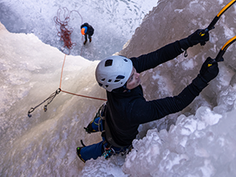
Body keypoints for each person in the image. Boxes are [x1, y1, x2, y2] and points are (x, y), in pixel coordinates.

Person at [76, 29, 219, 162]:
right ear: (120, 86)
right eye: (132, 78)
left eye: (134, 70)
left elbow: (157, 56)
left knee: (108, 120)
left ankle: (93, 127)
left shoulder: (120, 75)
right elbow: (177, 103)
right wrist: (203, 79)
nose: (137, 75)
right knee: (109, 145)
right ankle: (82, 153)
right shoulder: (135, 110)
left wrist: (188, 41)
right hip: (120, 138)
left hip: (112, 116)